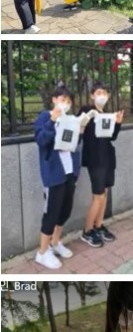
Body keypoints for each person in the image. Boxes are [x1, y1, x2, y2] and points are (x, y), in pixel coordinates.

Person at [34, 86, 92, 269]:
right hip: (53, 174)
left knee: (65, 210)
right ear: (54, 99)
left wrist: (81, 129)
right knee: (51, 212)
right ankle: (42, 253)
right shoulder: (45, 117)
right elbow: (41, 140)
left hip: (69, 172)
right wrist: (52, 121)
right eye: (62, 99)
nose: (65, 103)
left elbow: (75, 144)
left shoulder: (70, 119)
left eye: (68, 101)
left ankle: (55, 242)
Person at [79, 82, 123, 248]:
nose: (102, 95)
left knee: (104, 194)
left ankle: (99, 225)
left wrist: (117, 123)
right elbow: (79, 127)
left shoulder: (107, 115)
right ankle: (87, 230)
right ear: (92, 95)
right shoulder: (86, 111)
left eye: (104, 92)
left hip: (108, 159)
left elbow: (111, 137)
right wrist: (88, 117)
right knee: (98, 196)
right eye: (98, 92)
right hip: (95, 160)